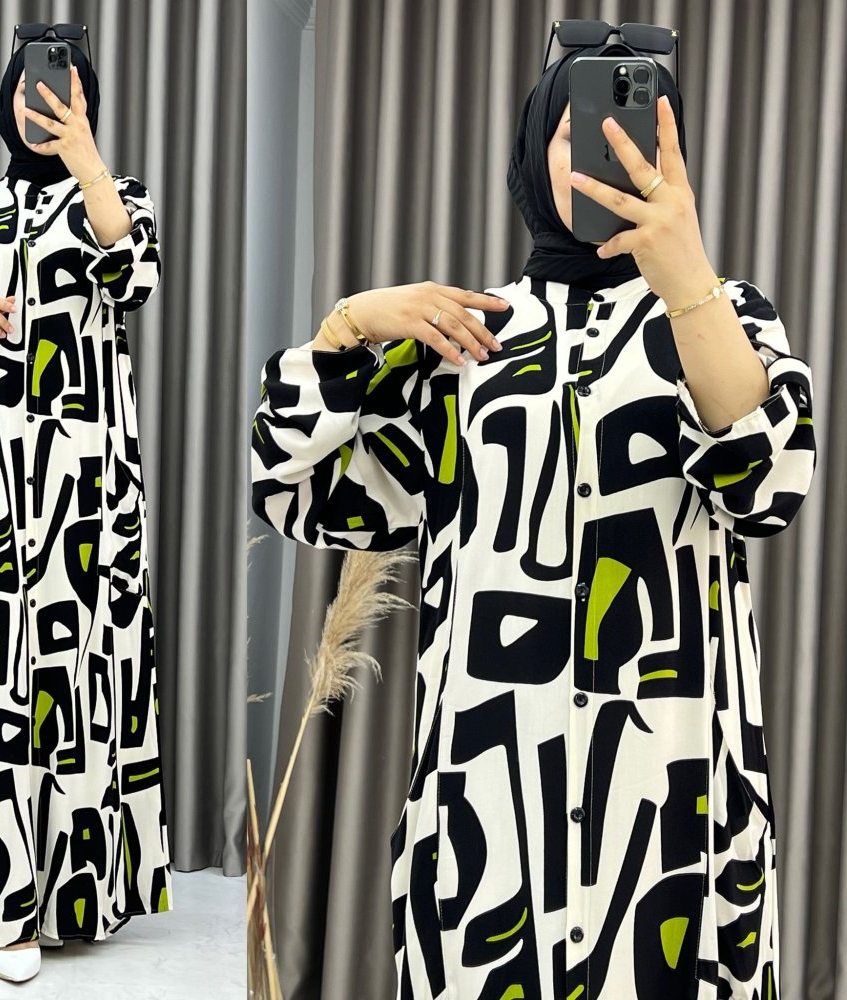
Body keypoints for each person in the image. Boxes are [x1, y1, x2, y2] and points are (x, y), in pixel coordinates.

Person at [250, 38, 816, 1000]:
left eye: (638, 135)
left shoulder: (729, 319)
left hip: (670, 797)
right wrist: (347, 326)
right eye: (576, 130)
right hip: (490, 801)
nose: (607, 152)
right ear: (532, 150)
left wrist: (688, 280)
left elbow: (767, 489)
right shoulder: (463, 336)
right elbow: (291, 487)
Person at [0, 26, 172, 984]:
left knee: (81, 678)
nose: (42, 102)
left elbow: (136, 276)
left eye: (62, 90)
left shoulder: (119, 196)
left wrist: (87, 157)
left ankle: (74, 896)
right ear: (5, 100)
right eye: (28, 88)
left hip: (91, 491)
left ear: (86, 102)